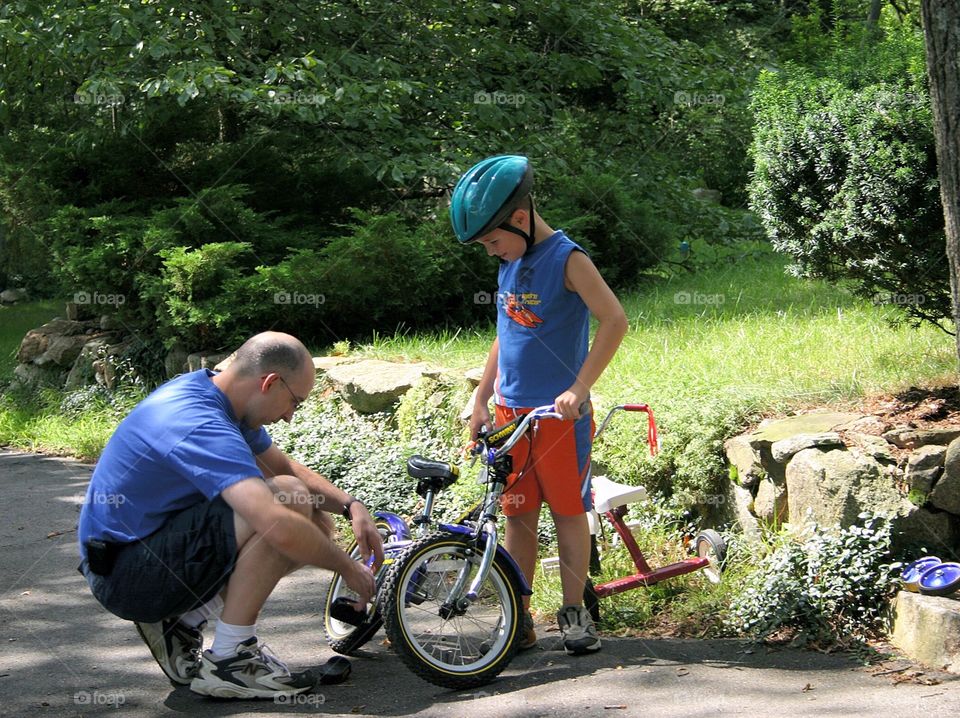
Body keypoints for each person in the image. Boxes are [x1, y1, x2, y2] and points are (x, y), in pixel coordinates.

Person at [77, 331, 383, 699]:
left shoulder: (217, 395)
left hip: (139, 553)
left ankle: (181, 621)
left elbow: (281, 466)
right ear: (269, 382)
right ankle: (229, 662)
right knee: (288, 505)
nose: (289, 416)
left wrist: (352, 507)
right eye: (294, 402)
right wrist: (348, 568)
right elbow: (278, 521)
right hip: (126, 575)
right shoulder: (196, 419)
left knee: (316, 520)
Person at [451, 155, 628, 656]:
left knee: (568, 513)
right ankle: (519, 615)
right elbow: (505, 334)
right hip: (511, 418)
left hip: (557, 417)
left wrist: (579, 386)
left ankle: (574, 612)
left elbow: (614, 320)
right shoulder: (511, 263)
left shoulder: (569, 259)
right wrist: (482, 395)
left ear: (521, 219)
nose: (491, 252)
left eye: (492, 240)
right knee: (518, 516)